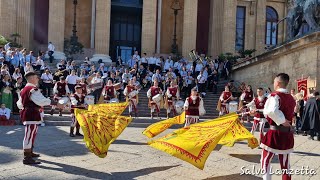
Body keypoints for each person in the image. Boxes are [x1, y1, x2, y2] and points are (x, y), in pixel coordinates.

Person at [261, 73, 296, 180]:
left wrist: (281, 120)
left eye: (275, 81)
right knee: (285, 165)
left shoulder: (274, 95)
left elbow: (271, 111)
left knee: (265, 160)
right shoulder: (291, 98)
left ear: (278, 83)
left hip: (275, 133)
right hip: (287, 133)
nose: (274, 83)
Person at [17, 72, 51, 164]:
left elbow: (19, 104)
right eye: (36, 78)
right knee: (29, 134)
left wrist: (26, 106)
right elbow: (41, 101)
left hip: (30, 113)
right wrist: (52, 102)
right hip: (31, 113)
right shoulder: (33, 89)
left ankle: (30, 152)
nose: (37, 79)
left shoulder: (24, 89)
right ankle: (26, 157)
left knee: (32, 133)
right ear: (32, 78)